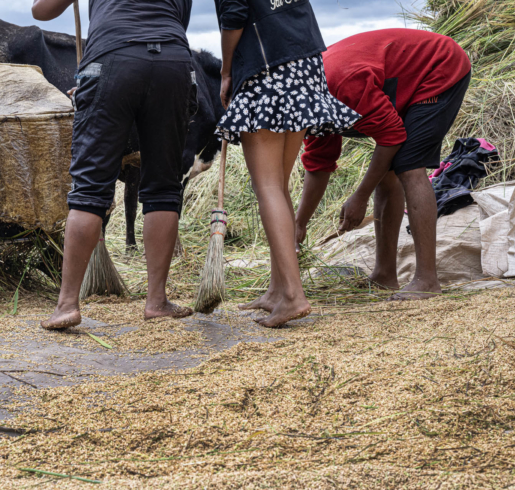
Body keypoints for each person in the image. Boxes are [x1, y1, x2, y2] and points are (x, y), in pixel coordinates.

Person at [32, 0, 196, 330]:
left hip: (112, 57)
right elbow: (180, 19)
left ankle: (67, 305)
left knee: (90, 188)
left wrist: (96, 87)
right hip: (173, 62)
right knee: (164, 187)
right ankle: (157, 301)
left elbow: (41, 10)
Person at [295, 29, 471, 299]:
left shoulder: (342, 86)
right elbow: (319, 165)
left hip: (438, 66)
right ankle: (385, 275)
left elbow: (391, 137)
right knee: (387, 174)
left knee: (408, 166)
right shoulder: (306, 111)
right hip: (397, 79)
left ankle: (427, 280)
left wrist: (360, 197)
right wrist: (299, 224)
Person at [214, 0, 360, 327]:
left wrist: (226, 71)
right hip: (305, 62)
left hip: (267, 67)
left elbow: (234, 14)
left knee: (267, 186)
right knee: (278, 184)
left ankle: (293, 296)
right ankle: (277, 290)